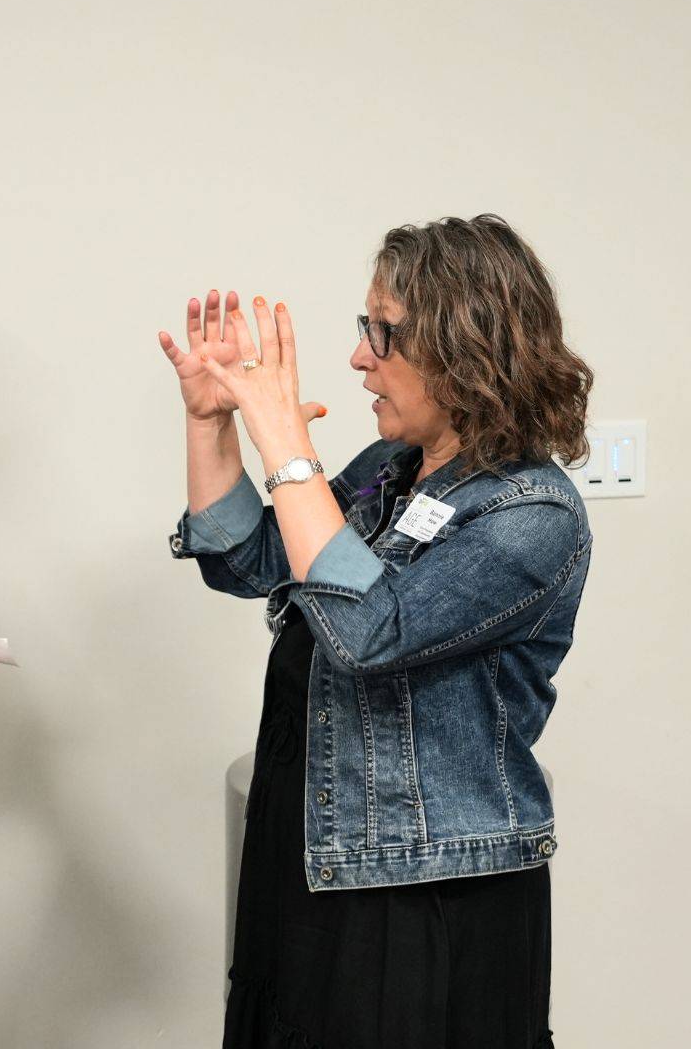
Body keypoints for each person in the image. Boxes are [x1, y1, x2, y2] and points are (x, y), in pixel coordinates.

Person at [159, 215, 594, 1048]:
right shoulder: (384, 474)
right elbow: (245, 559)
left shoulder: (531, 514)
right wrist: (212, 422)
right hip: (312, 849)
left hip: (423, 893)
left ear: (463, 347)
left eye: (381, 333)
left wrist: (286, 442)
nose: (360, 357)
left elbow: (369, 633)